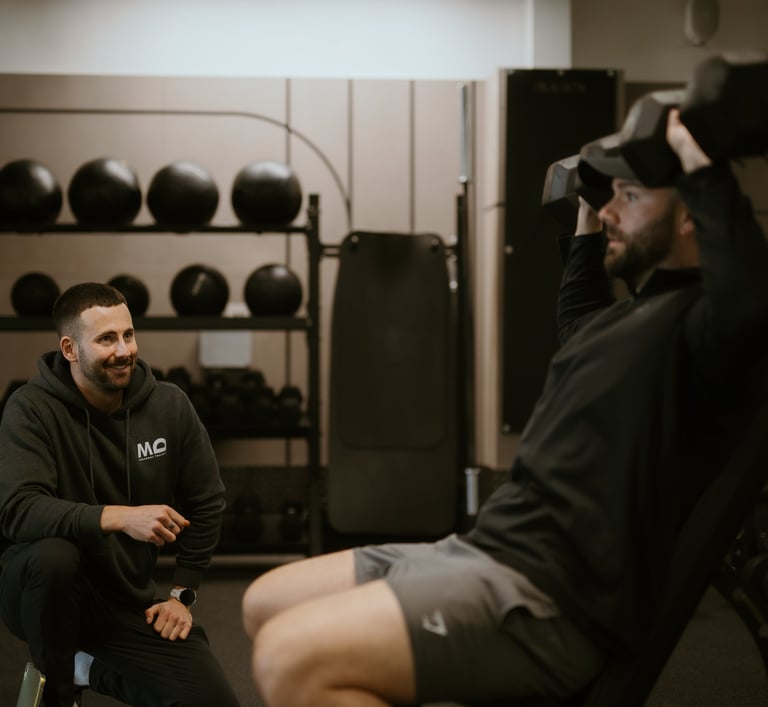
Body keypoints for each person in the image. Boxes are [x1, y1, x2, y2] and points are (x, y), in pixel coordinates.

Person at [240, 106, 768, 707]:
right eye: (610, 197)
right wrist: (585, 217)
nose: (611, 211)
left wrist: (700, 164)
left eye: (631, 196)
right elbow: (577, 312)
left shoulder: (706, 333)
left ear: (693, 213)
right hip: (484, 549)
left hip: (548, 595)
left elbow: (749, 299)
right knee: (263, 603)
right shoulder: (623, 321)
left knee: (289, 661)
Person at [0, 283, 240, 707]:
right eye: (106, 339)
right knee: (55, 555)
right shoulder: (31, 408)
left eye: (128, 335)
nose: (124, 350)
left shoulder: (169, 406)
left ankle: (82, 667)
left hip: (125, 597)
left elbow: (206, 501)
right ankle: (57, 691)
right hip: (41, 593)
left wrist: (182, 593)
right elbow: (20, 510)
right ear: (70, 349)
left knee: (211, 701)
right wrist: (119, 516)